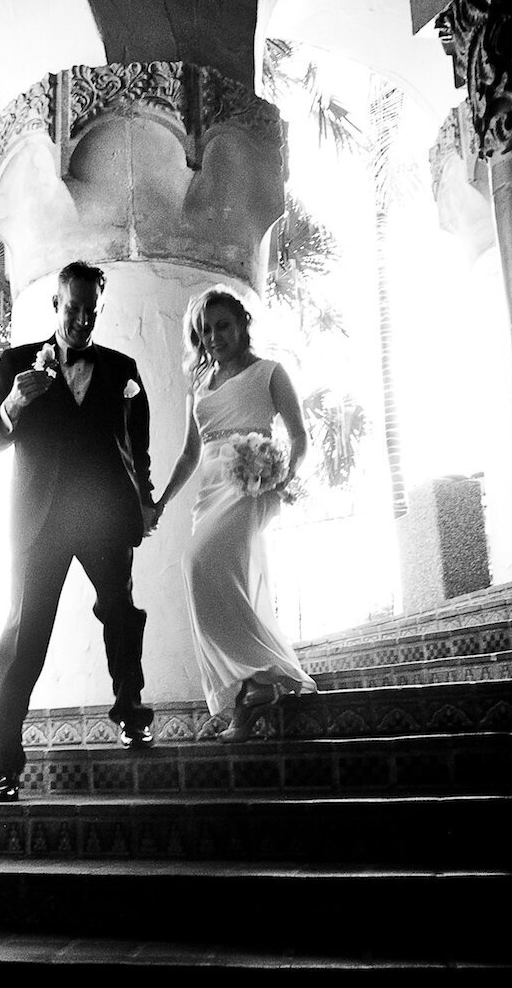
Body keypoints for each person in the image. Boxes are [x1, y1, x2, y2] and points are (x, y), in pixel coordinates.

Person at [0, 260, 158, 803]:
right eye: (72, 309)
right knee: (22, 641)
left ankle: (130, 714)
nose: (81, 320)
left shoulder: (122, 370)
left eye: (91, 310)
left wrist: (144, 502)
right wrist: (13, 402)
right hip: (40, 523)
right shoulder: (16, 364)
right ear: (56, 306)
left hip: (103, 518)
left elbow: (138, 447)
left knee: (122, 618)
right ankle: (3, 765)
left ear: (100, 309)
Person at [152, 286, 318, 742]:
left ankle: (258, 680)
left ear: (243, 323)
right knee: (208, 576)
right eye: (205, 330)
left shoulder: (270, 373)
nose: (213, 337)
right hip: (209, 493)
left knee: (200, 562)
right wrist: (160, 503)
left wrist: (279, 475)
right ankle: (250, 697)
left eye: (222, 325)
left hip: (253, 485)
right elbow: (190, 452)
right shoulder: (199, 384)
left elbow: (300, 438)